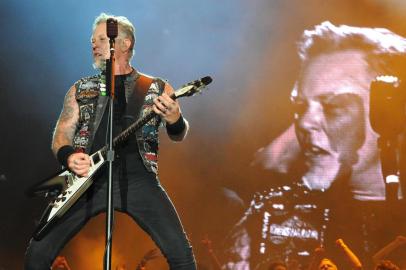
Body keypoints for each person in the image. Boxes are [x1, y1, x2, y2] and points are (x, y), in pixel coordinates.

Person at [225, 21, 406, 269]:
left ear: (392, 111)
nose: (305, 123)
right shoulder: (274, 216)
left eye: (333, 107)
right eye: (300, 107)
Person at [24, 13, 196, 270]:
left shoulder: (157, 87)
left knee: (182, 255)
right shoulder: (80, 89)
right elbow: (61, 134)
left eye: (102, 39)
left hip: (138, 179)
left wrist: (175, 117)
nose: (94, 44)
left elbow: (178, 134)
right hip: (86, 182)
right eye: (92, 40)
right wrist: (69, 156)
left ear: (124, 44)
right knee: (37, 253)